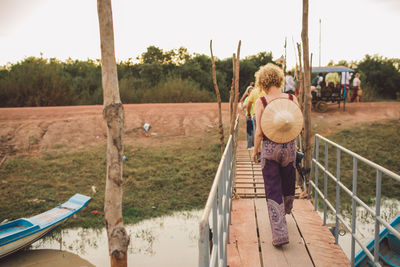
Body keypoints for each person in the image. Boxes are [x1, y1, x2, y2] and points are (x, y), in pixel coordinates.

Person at [252, 63, 303, 247]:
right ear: (279, 80)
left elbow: (258, 132)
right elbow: (298, 123)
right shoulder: (291, 98)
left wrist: (255, 150)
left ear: (262, 82)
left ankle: (280, 234)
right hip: (289, 147)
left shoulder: (262, 101)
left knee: (273, 188)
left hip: (270, 149)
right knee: (288, 181)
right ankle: (287, 207)